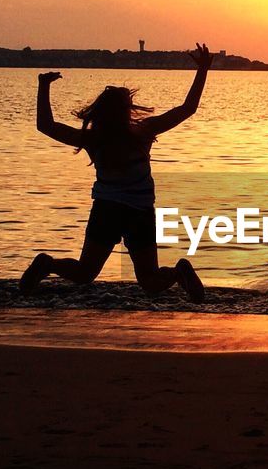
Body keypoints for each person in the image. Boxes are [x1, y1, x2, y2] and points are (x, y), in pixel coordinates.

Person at [19, 44, 213, 301]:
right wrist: (202, 70)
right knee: (150, 281)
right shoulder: (142, 132)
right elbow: (187, 109)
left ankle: (47, 264)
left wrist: (43, 86)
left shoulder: (93, 139)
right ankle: (179, 272)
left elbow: (46, 125)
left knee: (84, 273)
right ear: (124, 111)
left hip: (107, 210)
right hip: (139, 212)